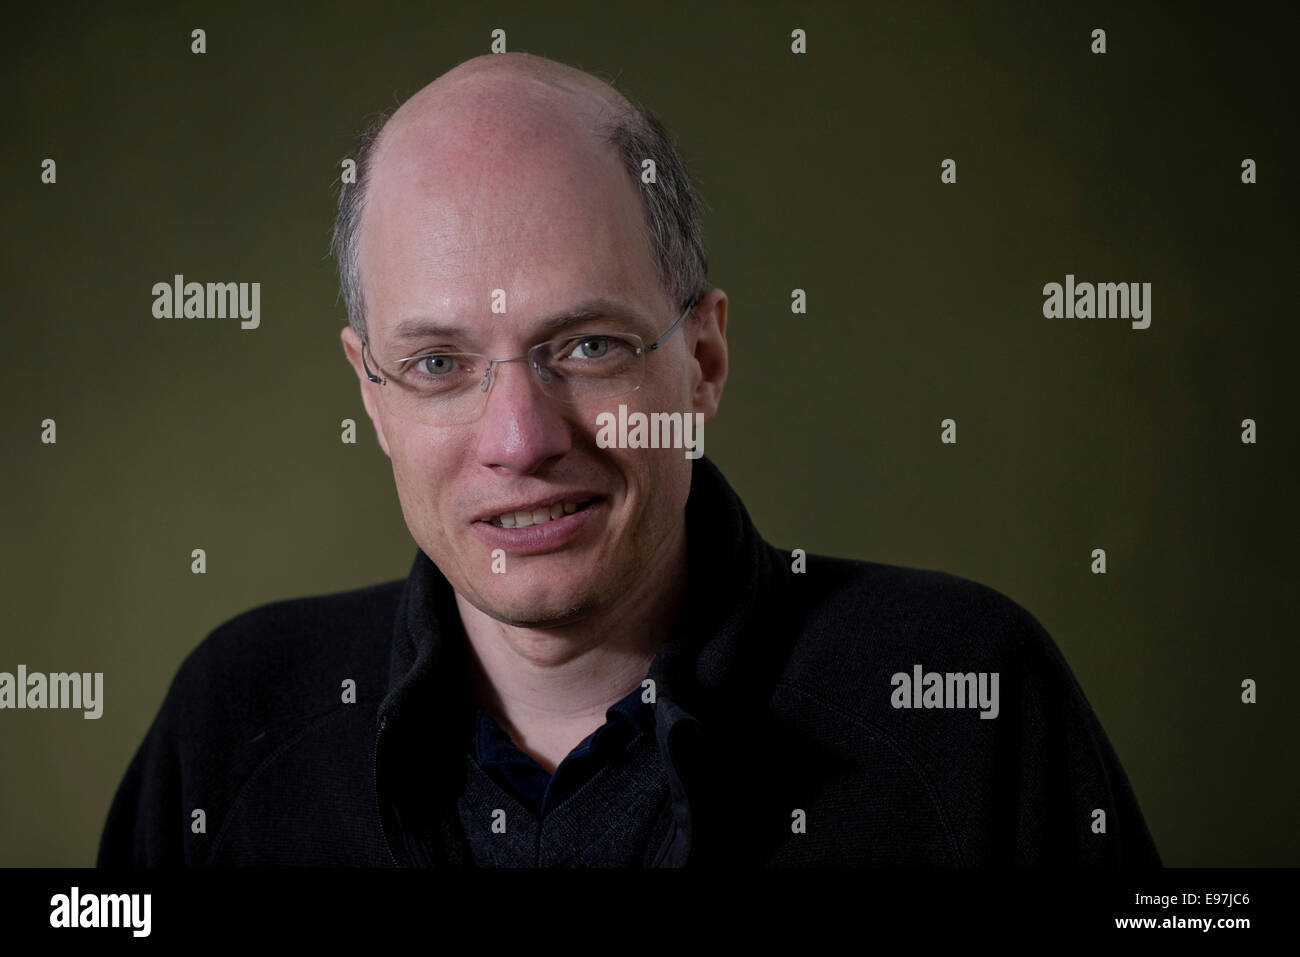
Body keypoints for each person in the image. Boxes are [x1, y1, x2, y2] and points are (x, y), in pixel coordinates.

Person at [98, 51, 1160, 867]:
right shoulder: (234, 722)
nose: (519, 439)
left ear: (702, 359)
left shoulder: (968, 702)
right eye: (436, 362)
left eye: (588, 347)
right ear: (369, 392)